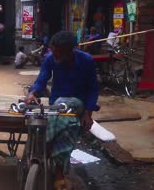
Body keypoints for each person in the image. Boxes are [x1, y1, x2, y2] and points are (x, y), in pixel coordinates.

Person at [25, 31, 100, 189]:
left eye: (59, 52)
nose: (55, 54)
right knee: (68, 126)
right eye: (53, 50)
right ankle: (58, 168)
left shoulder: (86, 61)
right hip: (56, 107)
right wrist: (32, 93)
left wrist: (88, 114)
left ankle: (48, 149)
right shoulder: (50, 59)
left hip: (77, 104)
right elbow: (41, 79)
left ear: (70, 50)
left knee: (64, 103)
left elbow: (93, 89)